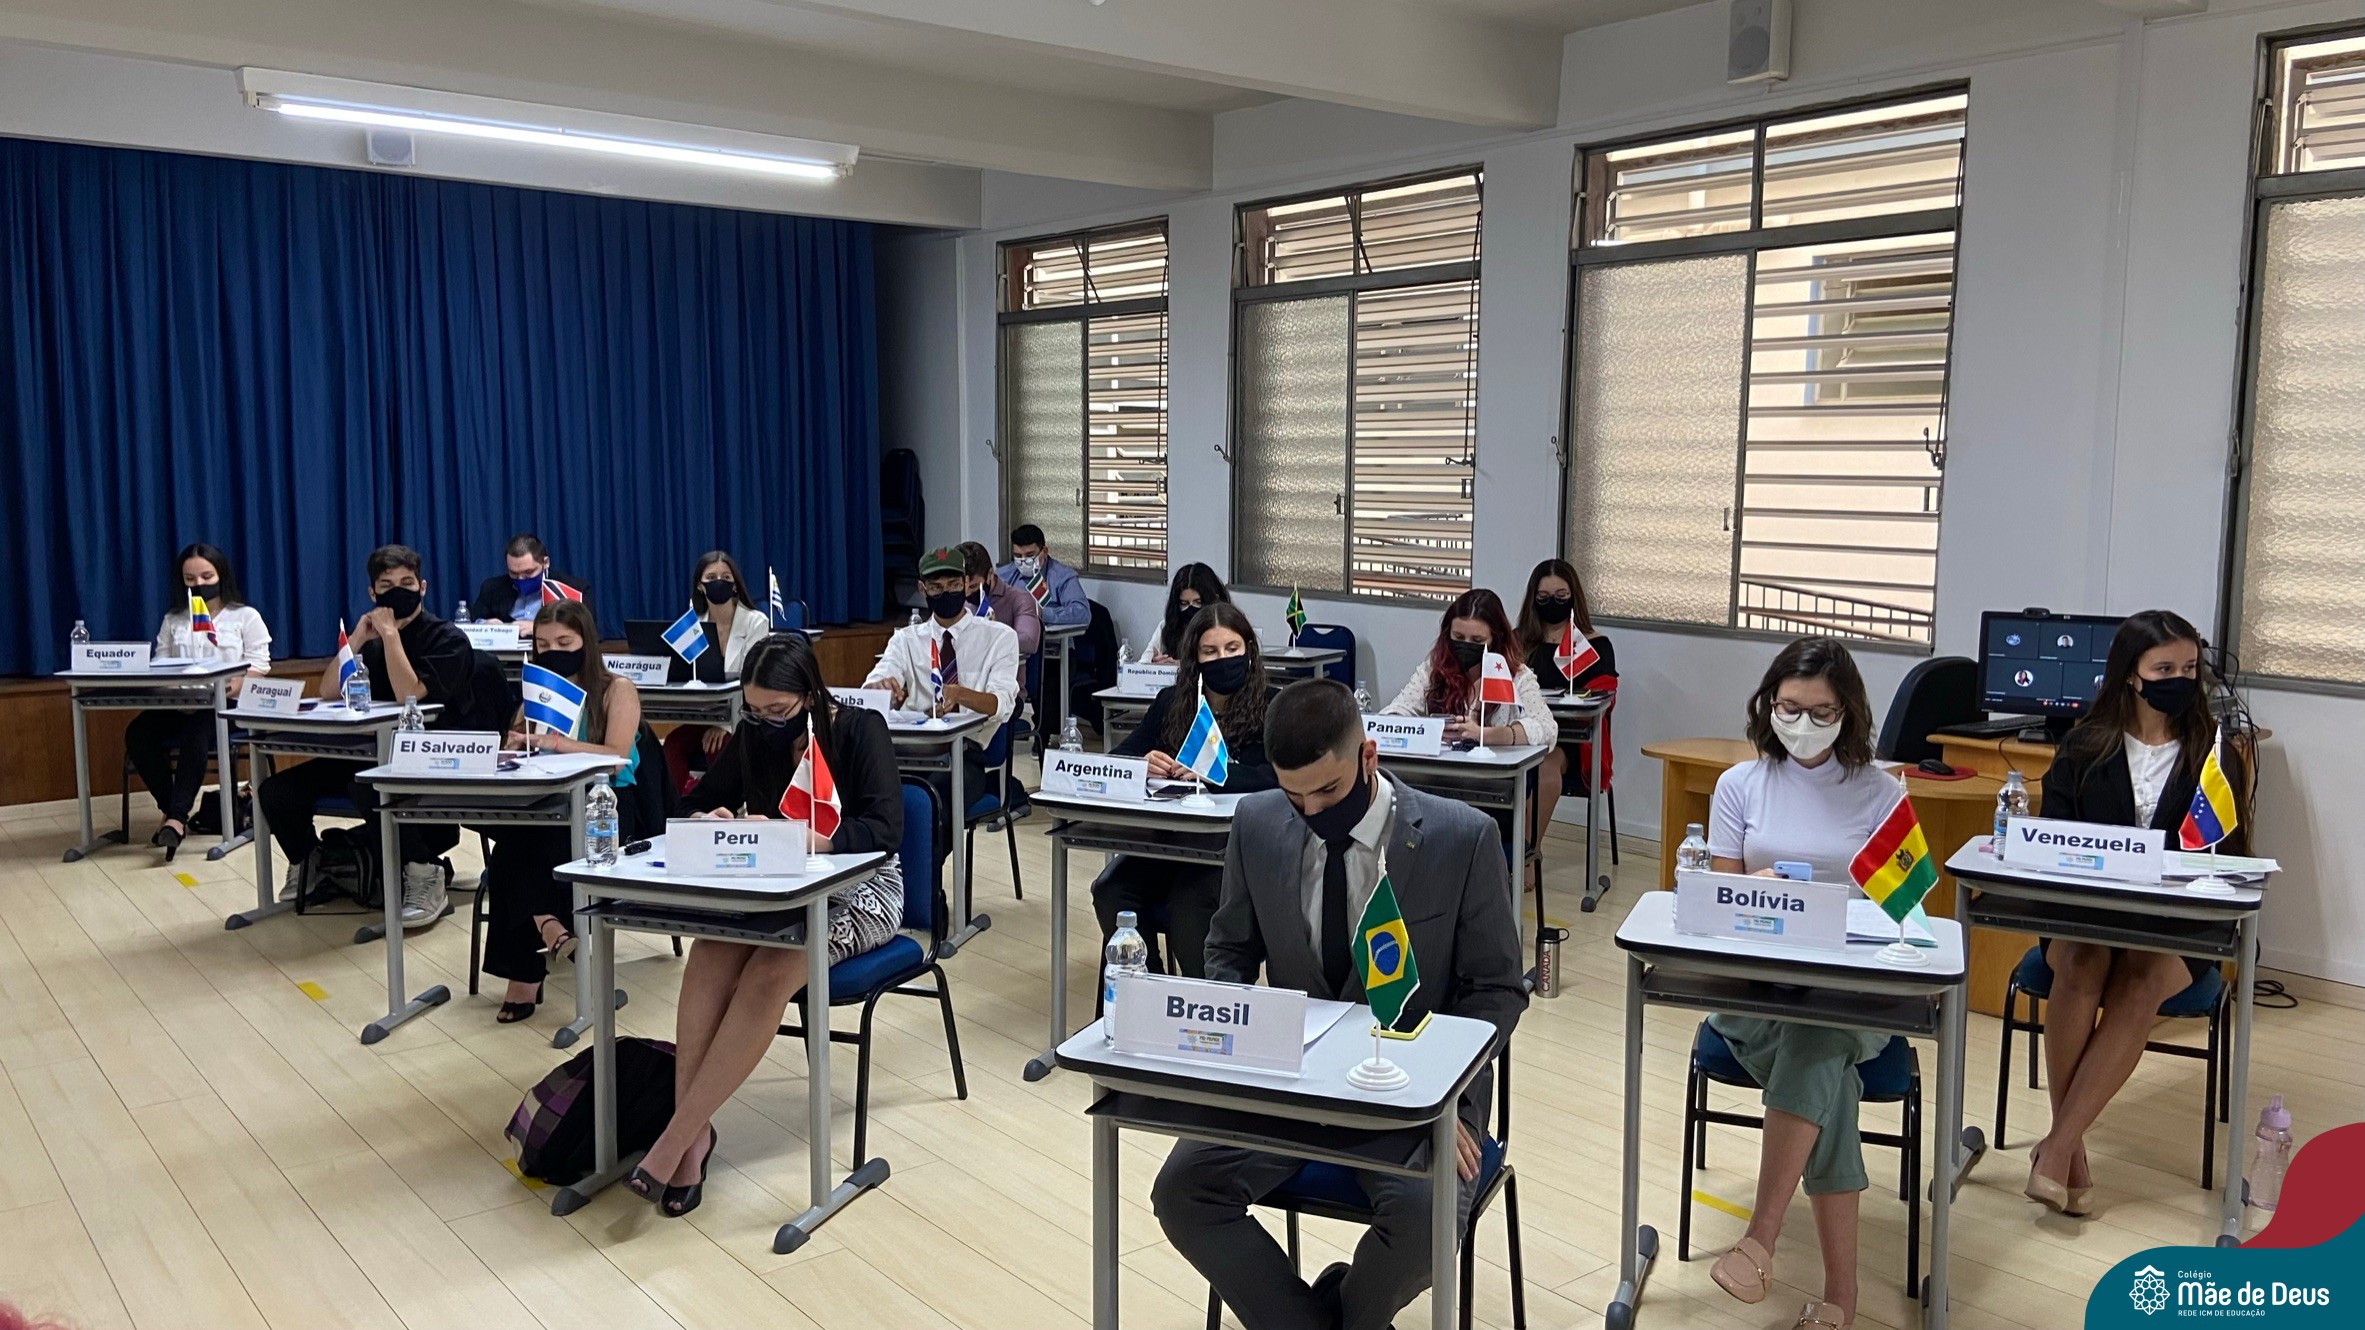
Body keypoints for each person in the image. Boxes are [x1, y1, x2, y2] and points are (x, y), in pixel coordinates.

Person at [1152, 679, 1526, 1330]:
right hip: (1289, 1080)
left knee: (1425, 1224)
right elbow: (1229, 947)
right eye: (1294, 796)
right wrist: (1232, 1040)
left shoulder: (1460, 838)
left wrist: (1448, 1094)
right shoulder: (1257, 822)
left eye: (1327, 791)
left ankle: (1345, 1313)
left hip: (1414, 1090)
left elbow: (1496, 989)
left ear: (1367, 757)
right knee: (1182, 1192)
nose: (1312, 810)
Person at [633, 632, 906, 1218]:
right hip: (772, 888)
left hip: (861, 888)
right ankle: (693, 1134)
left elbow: (885, 830)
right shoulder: (754, 733)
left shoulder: (860, 730)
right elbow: (694, 801)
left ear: (810, 694)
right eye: (754, 710)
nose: (764, 721)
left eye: (777, 710)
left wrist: (809, 839)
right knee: (710, 950)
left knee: (767, 973)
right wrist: (710, 816)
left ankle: (675, 1142)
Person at [2023, 609, 2248, 1218]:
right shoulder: (2082, 746)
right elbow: (2052, 843)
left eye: (2189, 669)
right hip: (2086, 915)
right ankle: (2070, 1152)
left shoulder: (2215, 754)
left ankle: (2057, 1148)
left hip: (2176, 926)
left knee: (2142, 976)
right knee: (2081, 963)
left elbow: (2232, 859)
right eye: (2164, 669)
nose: (2180, 679)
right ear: (2130, 674)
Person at [1702, 637, 1899, 1330]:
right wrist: (1753, 889)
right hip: (1755, 991)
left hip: (1851, 993)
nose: (1803, 723)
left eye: (1821, 712)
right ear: (1768, 705)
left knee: (1819, 1041)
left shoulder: (1882, 792)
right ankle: (1841, 1297)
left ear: (1848, 714)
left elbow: (1901, 911)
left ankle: (1760, 1238)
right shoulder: (1739, 785)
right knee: (1825, 1074)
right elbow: (1717, 898)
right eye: (1789, 708)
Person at [257, 544, 474, 927]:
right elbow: (328, 691)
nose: (398, 591)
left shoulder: (447, 638)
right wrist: (357, 638)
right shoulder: (369, 642)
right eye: (387, 586)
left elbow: (410, 695)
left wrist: (391, 637)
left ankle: (425, 873)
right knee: (277, 791)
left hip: (428, 757)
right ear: (373, 593)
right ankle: (314, 863)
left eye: (407, 582)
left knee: (369, 787)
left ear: (422, 587)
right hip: (368, 751)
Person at [480, 599, 644, 1023]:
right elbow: (514, 747)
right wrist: (515, 745)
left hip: (605, 805)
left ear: (585, 642)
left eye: (564, 642)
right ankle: (550, 927)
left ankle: (526, 972)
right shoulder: (534, 694)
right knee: (515, 842)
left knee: (511, 856)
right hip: (544, 802)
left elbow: (616, 755)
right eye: (544, 643)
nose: (553, 650)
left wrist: (556, 743)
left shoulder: (616, 689)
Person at [1093, 602, 1277, 976]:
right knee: (1110, 890)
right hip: (1169, 843)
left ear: (1248, 650)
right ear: (1194, 658)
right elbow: (1117, 759)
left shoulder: (1273, 705)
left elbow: (1277, 776)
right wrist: (1141, 763)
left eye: (1232, 648)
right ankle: (1147, 985)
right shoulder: (1171, 702)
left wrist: (1214, 773)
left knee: (1188, 907)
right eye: (1210, 651)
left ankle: (1207, 1000)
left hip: (1233, 851)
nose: (1223, 659)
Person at [124, 543, 273, 861]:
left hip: (227, 706)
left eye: (207, 576)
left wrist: (236, 685)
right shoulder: (174, 619)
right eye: (190, 579)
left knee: (198, 731)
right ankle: (172, 811)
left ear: (221, 576)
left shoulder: (245, 616)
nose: (199, 584)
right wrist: (173, 688)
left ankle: (176, 819)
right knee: (138, 732)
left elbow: (260, 665)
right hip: (181, 703)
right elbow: (161, 664)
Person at [864, 546, 1022, 829]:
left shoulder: (998, 637)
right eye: (936, 588)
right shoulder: (906, 639)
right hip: (912, 751)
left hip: (966, 754)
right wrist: (883, 691)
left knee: (932, 805)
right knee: (875, 796)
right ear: (922, 589)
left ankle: (924, 858)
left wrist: (960, 694)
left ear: (966, 583)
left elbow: (1001, 704)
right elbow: (877, 682)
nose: (945, 593)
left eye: (953, 585)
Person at [1513, 558, 1618, 871]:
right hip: (1520, 734)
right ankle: (1496, 853)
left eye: (1561, 596)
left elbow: (1604, 700)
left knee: (1545, 766)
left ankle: (1526, 858)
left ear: (1574, 597)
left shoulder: (1594, 645)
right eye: (1544, 597)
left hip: (1571, 743)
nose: (1552, 603)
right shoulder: (1517, 643)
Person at [1381, 588, 1558, 751]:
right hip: (1440, 767)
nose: (1466, 644)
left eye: (1477, 640)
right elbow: (1396, 710)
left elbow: (1547, 728)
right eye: (1458, 637)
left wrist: (1486, 735)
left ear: (1496, 639)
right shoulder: (1434, 668)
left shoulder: (1517, 676)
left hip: (1494, 770)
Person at [659, 551, 775, 792]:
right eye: (711, 578)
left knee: (720, 746)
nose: (719, 582)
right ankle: (674, 807)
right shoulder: (692, 624)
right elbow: (683, 674)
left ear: (735, 585)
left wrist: (726, 725)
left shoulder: (756, 622)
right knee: (672, 744)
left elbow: (754, 680)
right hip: (704, 715)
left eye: (725, 577)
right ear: (700, 586)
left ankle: (720, 807)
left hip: (743, 717)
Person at [470, 533, 593, 628]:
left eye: (528, 572)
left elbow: (588, 630)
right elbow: (472, 623)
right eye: (514, 573)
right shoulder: (492, 587)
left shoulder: (574, 588)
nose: (520, 579)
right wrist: (486, 625)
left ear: (545, 563)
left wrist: (539, 628)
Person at [997, 523, 1088, 629]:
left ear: (1044, 551)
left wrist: (1042, 613)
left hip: (1051, 638)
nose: (1024, 561)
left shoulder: (1063, 576)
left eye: (1030, 555)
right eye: (1018, 556)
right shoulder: (1003, 575)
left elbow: (1083, 613)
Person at [962, 540, 1041, 659]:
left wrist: (988, 638)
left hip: (1006, 669)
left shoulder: (1020, 599)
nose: (967, 593)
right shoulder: (956, 599)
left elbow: (1029, 642)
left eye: (973, 586)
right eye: (963, 587)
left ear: (990, 574)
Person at [1145, 562, 1230, 664]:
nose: (1190, 609)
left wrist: (1184, 668)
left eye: (1198, 602)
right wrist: (1155, 666)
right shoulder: (1167, 627)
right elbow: (1141, 665)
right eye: (1184, 603)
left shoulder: (1227, 629)